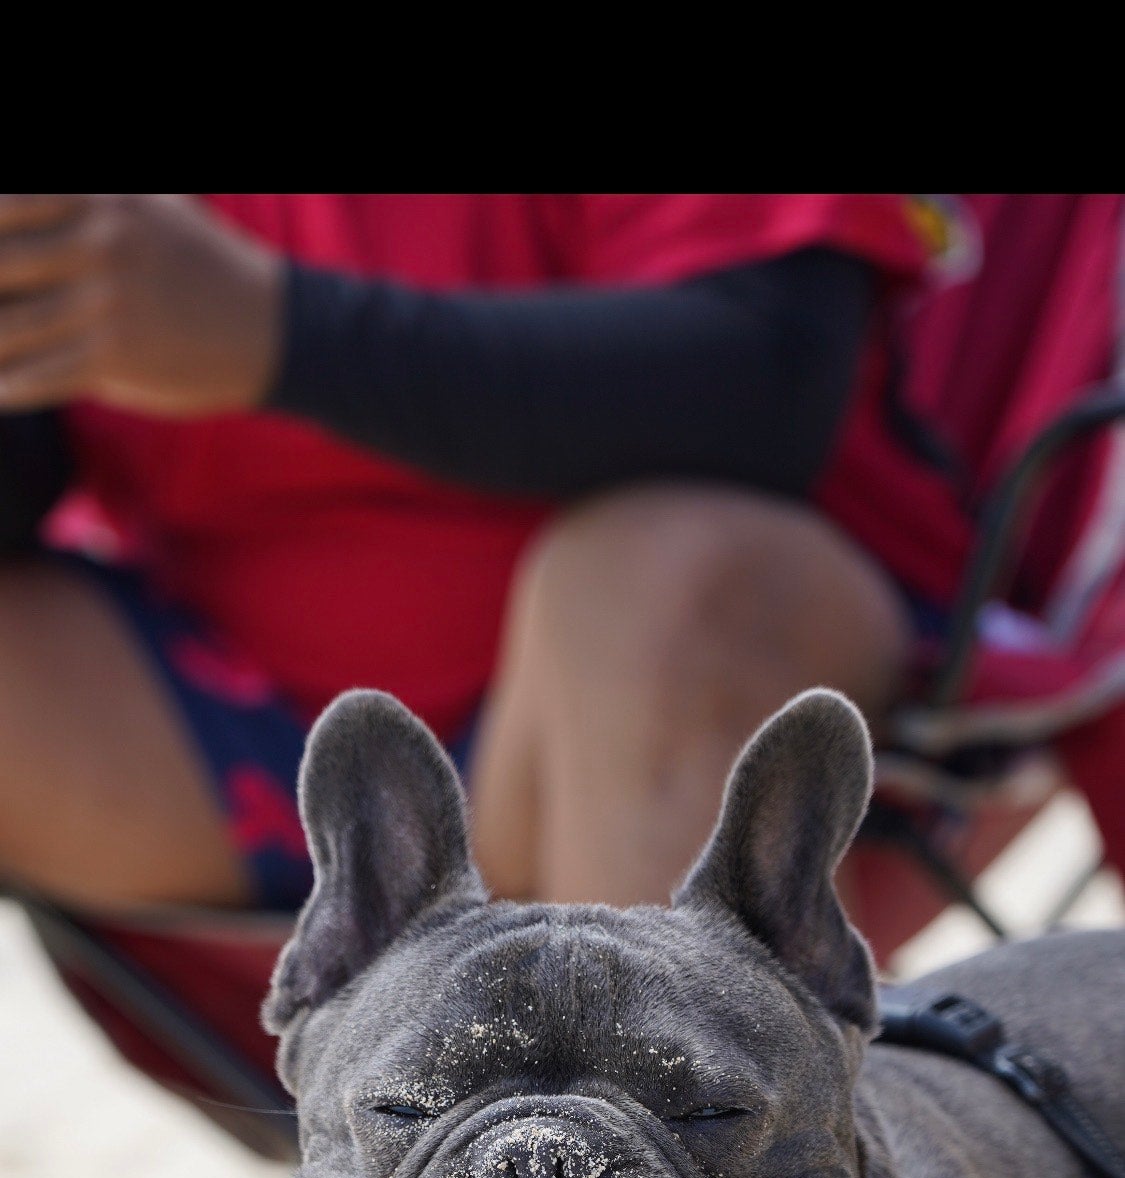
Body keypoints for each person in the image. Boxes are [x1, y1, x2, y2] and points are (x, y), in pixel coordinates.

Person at [2, 193, 1120, 917]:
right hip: (245, 752)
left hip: (725, 702)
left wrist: (272, 333)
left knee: (660, 578)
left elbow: (765, 384)